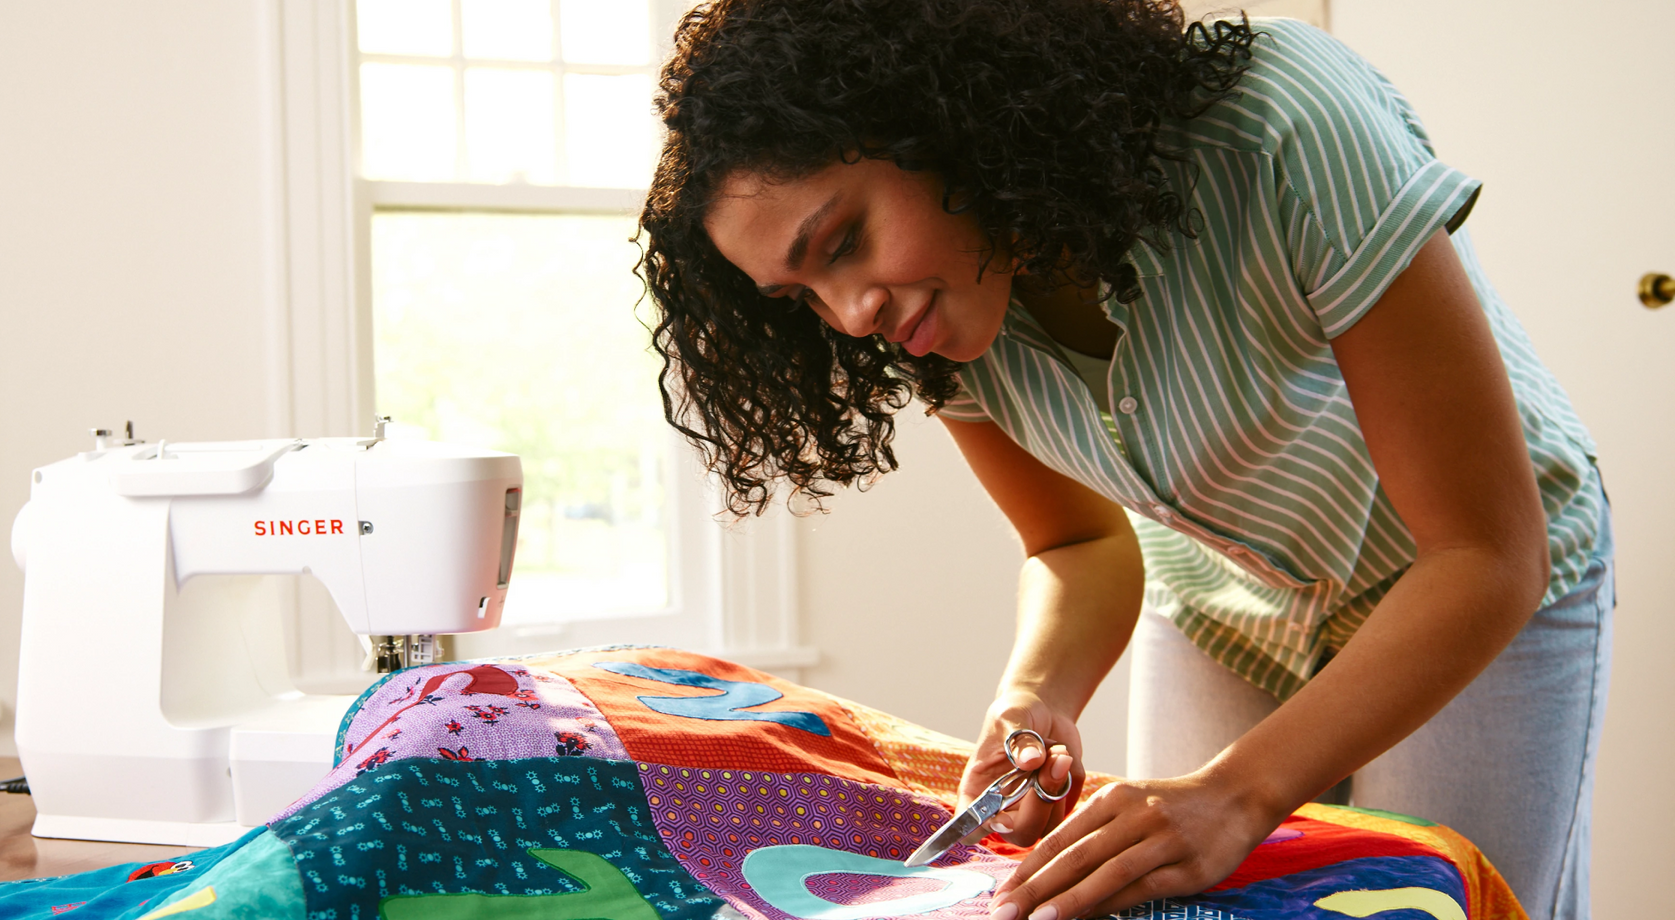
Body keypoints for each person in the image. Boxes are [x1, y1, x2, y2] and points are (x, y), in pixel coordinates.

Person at [635, 0, 1612, 918]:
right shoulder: (934, 318)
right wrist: (1036, 696)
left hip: (1469, 581)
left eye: (845, 239)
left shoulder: (1285, 123)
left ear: (941, 121)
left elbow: (1484, 552)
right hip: (1223, 603)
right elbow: (1074, 542)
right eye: (802, 296)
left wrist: (1234, 791)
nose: (851, 314)